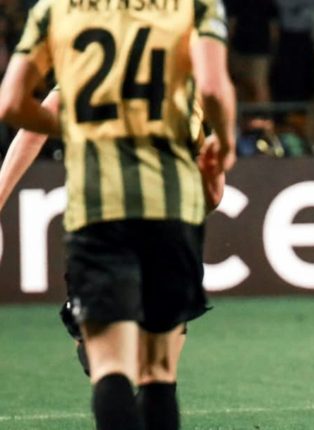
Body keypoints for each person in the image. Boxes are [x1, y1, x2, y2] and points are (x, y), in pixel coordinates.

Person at [0, 1, 236, 429]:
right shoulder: (193, 13)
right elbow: (215, 189)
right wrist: (225, 141)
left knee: (109, 368)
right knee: (159, 374)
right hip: (170, 214)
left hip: (98, 212)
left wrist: (80, 125)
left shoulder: (62, 11)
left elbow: (13, 104)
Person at [0, 88, 226, 381]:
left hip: (99, 220)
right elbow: (215, 193)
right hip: (168, 220)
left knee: (104, 358)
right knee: (160, 364)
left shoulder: (87, 69)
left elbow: (27, 123)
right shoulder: (188, 82)